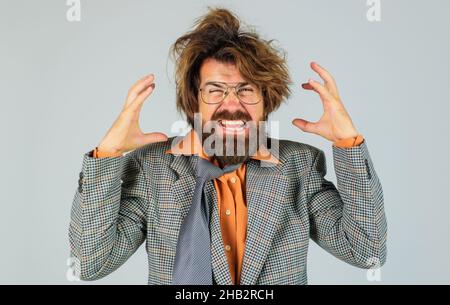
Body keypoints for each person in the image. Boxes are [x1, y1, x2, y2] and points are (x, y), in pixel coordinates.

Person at [69, 7, 387, 285]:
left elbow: (367, 252)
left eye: (246, 89)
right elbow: (91, 265)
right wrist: (108, 152)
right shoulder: (151, 168)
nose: (231, 104)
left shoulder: (299, 166)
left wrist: (348, 144)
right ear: (195, 99)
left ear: (267, 101)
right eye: (216, 90)